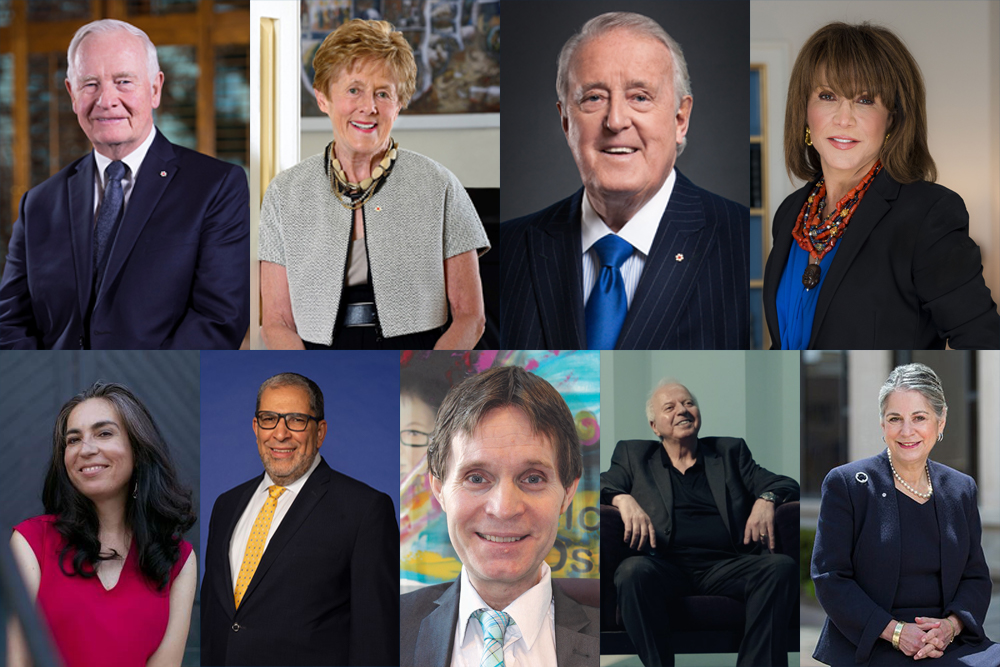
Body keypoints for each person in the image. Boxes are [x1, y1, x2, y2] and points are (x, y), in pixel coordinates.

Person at [500, 12, 749, 350]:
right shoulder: (506, 252)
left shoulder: (743, 244)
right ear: (565, 122)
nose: (616, 121)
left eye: (640, 97)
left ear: (680, 119)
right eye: (594, 98)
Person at [0, 19, 249, 350]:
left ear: (155, 88)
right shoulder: (39, 204)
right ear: (72, 95)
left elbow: (218, 319)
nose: (106, 99)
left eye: (123, 81)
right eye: (90, 84)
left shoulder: (216, 187)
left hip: (160, 387)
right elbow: (10, 322)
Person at [763, 22, 999, 350]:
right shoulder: (791, 213)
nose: (843, 118)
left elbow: (983, 340)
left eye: (864, 100)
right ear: (805, 111)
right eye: (827, 96)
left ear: (893, 118)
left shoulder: (928, 215)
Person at [259, 19, 490, 350]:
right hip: (316, 353)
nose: (368, 107)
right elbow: (277, 322)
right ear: (322, 98)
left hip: (418, 352)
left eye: (383, 93)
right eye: (354, 90)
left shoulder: (439, 185)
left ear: (398, 105)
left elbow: (471, 317)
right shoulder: (284, 193)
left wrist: (430, 369)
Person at [399, 365, 599, 666]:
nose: (504, 509)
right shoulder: (386, 628)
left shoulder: (607, 640)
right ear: (438, 488)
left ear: (568, 492)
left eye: (532, 478)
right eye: (477, 478)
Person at [200, 372, 398, 666]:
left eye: (296, 420)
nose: (280, 434)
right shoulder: (226, 505)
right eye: (269, 418)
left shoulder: (365, 510)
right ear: (256, 427)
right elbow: (217, 617)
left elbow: (376, 641)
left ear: (320, 431)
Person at [811, 363, 1000, 666]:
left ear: (941, 422)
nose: (906, 431)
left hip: (946, 641)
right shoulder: (847, 484)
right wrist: (897, 632)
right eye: (895, 418)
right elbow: (829, 577)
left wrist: (950, 627)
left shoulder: (961, 488)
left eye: (919, 418)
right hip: (873, 642)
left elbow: (975, 576)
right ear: (883, 425)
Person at [601, 380, 798, 666]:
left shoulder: (730, 452)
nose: (682, 410)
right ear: (655, 427)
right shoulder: (633, 456)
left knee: (780, 567)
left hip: (726, 565)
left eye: (688, 403)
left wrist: (766, 499)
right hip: (664, 565)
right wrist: (623, 499)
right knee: (632, 571)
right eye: (670, 407)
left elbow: (784, 483)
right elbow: (602, 484)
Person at [7, 382, 197, 667]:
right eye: (73, 440)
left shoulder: (178, 559)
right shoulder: (31, 541)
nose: (86, 449)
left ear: (138, 447)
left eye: (104, 433)